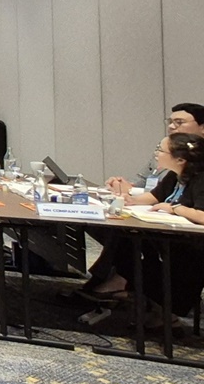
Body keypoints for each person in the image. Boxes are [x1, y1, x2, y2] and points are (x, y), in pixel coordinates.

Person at [85, 132, 204, 326]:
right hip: (169, 237)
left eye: (161, 150)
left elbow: (202, 215)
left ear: (180, 159)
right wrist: (127, 197)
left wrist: (175, 208)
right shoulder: (174, 176)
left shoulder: (200, 179)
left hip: (191, 248)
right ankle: (135, 293)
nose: (156, 153)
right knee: (123, 238)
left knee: (134, 249)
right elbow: (153, 197)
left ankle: (161, 308)